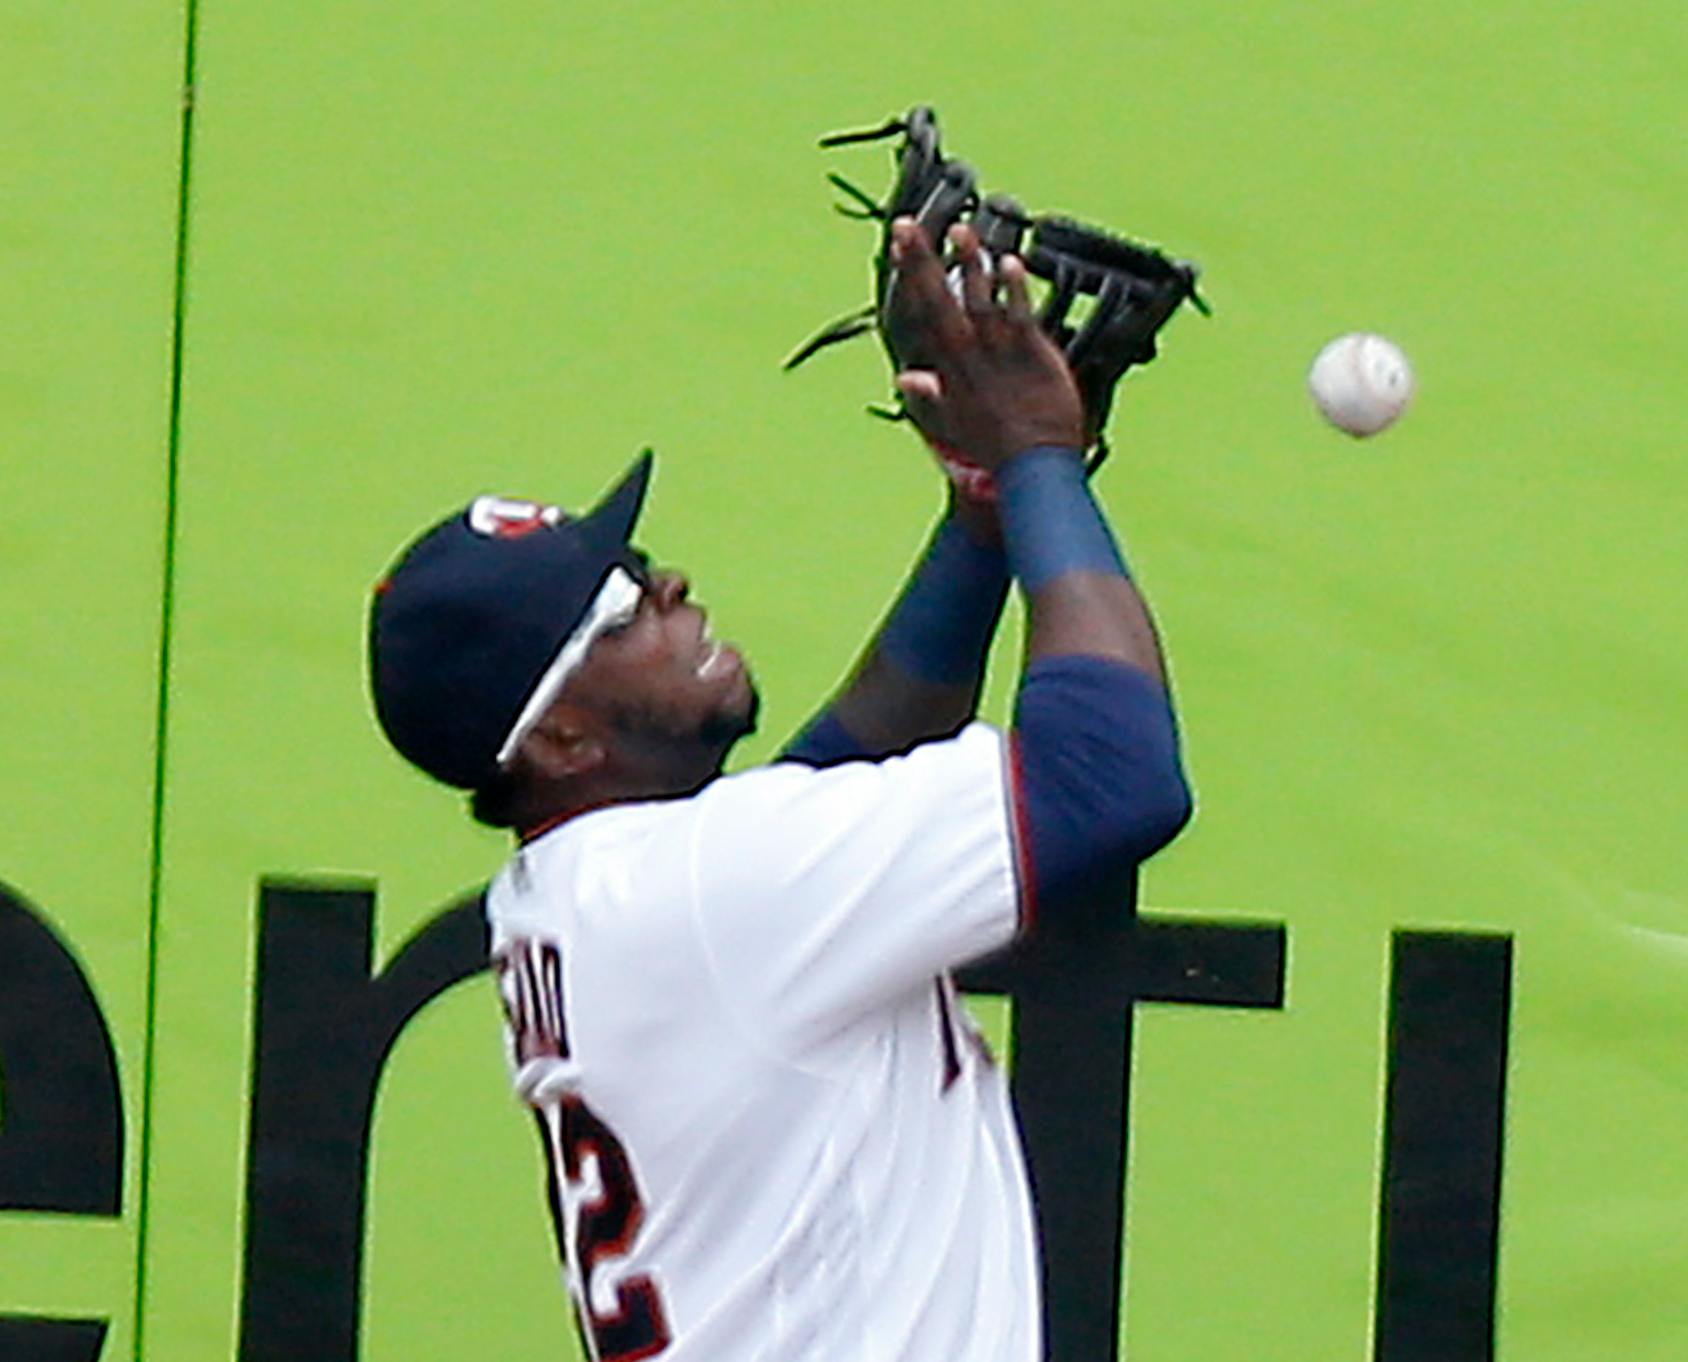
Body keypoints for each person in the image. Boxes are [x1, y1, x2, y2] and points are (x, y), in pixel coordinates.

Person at [365, 217, 1191, 1362]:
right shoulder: (696, 895)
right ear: (557, 738)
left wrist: (983, 506)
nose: (669, 587)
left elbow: (835, 779)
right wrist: (1040, 457)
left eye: (640, 566)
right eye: (622, 608)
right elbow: (1114, 777)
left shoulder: (601, 890)